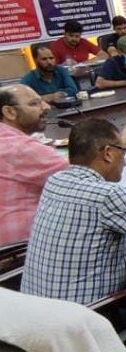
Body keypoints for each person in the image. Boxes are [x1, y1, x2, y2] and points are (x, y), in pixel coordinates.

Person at [21, 119, 126, 305]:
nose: (124, 162)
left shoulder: (55, 180)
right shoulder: (109, 194)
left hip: (35, 308)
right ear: (108, 153)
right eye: (123, 152)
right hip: (88, 313)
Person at [0, 85, 68, 245]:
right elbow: (83, 175)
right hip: (22, 248)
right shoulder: (16, 146)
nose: (46, 107)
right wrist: (120, 143)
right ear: (9, 112)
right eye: (34, 103)